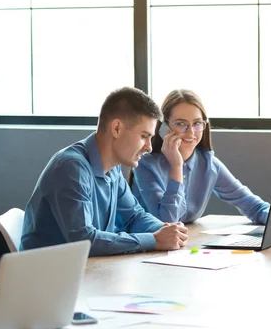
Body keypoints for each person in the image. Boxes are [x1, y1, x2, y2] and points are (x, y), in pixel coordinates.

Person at [20, 87, 188, 256]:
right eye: (144, 136)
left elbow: (134, 217)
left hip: (85, 273)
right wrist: (154, 239)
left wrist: (166, 230)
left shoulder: (113, 169)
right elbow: (84, 241)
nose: (149, 147)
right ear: (116, 128)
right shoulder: (71, 168)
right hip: (48, 277)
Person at [131, 89, 271, 228]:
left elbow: (253, 206)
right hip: (145, 253)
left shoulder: (207, 163)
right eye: (181, 123)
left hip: (183, 247)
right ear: (163, 127)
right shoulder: (145, 165)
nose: (191, 132)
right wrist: (176, 167)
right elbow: (167, 222)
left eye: (197, 124)